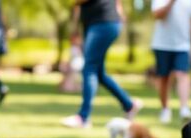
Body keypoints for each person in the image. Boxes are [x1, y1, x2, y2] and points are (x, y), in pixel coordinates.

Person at [61, 0, 142, 128]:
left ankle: (83, 117)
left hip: (104, 21)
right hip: (96, 22)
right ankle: (129, 105)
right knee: (98, 73)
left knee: (89, 68)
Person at [151, 0, 191, 123]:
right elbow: (158, 15)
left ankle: (184, 109)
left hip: (183, 46)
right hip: (162, 45)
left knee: (182, 74)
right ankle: (165, 110)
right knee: (164, 78)